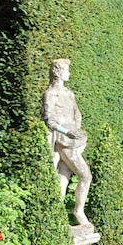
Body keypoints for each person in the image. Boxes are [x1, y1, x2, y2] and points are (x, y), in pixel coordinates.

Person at [42, 58, 92, 228]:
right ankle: (78, 211)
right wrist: (67, 132)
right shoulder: (50, 94)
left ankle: (56, 216)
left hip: (75, 140)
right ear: (58, 72)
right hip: (63, 142)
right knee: (85, 175)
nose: (69, 73)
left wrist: (76, 130)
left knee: (63, 177)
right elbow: (49, 120)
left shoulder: (69, 94)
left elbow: (77, 114)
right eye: (66, 70)